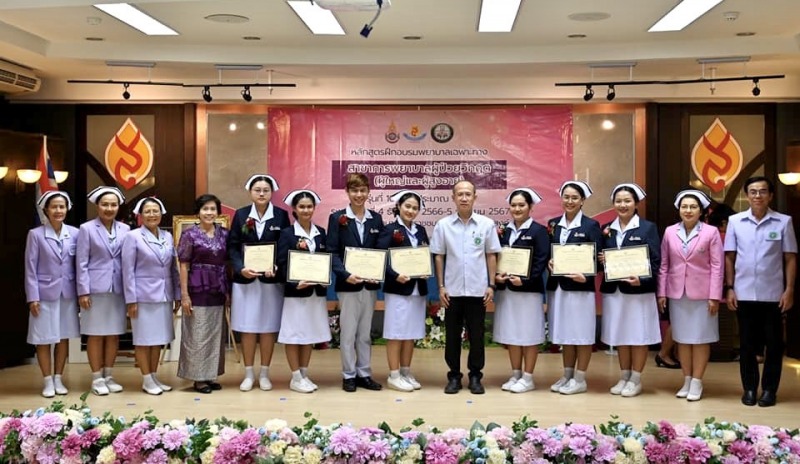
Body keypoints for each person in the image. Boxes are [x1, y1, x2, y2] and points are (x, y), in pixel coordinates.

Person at [724, 176, 797, 407]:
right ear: (747, 195)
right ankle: (748, 388)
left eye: (763, 191)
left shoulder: (783, 222)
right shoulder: (735, 221)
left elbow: (790, 258)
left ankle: (769, 390)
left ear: (771, 195)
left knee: (774, 344)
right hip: (743, 293)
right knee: (746, 344)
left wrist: (790, 290)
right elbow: (729, 257)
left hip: (773, 295)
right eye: (753, 191)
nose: (758, 196)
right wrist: (729, 288)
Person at [431, 180, 502, 394]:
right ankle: (453, 376)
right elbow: (439, 257)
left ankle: (475, 376)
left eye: (468, 194)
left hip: (478, 291)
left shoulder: (486, 224)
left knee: (477, 335)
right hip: (452, 292)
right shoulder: (443, 225)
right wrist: (441, 287)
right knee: (452, 336)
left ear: (474, 197)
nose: (464, 198)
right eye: (459, 194)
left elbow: (491, 255)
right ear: (453, 198)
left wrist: (491, 284)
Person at [657, 189, 723, 401]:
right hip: (677, 293)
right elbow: (664, 264)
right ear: (679, 209)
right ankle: (686, 379)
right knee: (682, 339)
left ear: (701, 210)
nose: (688, 210)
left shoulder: (710, 232)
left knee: (701, 339)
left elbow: (717, 266)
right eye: (684, 206)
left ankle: (697, 381)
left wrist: (715, 296)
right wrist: (662, 292)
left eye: (693, 207)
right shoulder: (669, 232)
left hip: (703, 294)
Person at [227, 174, 290, 392]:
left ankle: (264, 373)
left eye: (265, 190)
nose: (261, 193)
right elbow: (233, 246)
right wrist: (240, 268)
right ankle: (248, 373)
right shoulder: (241, 214)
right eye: (257, 190)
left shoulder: (281, 215)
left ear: (272, 192)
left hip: (271, 282)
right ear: (250, 192)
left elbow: (284, 246)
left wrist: (278, 267)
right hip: (246, 280)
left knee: (267, 328)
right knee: (247, 327)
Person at [599, 183, 661, 398]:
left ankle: (636, 379)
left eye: (627, 201)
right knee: (621, 334)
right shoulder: (607, 228)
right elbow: (599, 261)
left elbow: (655, 260)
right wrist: (600, 260)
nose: (622, 205)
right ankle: (624, 376)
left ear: (636, 204)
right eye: (618, 201)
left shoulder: (647, 228)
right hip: (615, 291)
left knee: (638, 335)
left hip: (638, 293)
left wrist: (642, 279)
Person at [327, 173, 385, 392]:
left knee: (364, 333)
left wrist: (376, 271)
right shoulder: (337, 218)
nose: (359, 195)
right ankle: (349, 374)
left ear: (368, 192)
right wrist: (344, 274)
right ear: (347, 193)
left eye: (362, 190)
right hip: (348, 284)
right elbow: (332, 251)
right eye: (354, 190)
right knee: (349, 332)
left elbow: (379, 251)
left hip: (369, 285)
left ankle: (364, 373)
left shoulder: (376, 219)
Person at [546, 180, 601, 395]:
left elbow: (597, 258)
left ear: (582, 201)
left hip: (580, 289)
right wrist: (550, 262)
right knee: (566, 333)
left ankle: (580, 379)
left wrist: (586, 274)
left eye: (574, 198)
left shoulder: (591, 226)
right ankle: (567, 374)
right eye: (566, 197)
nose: (569, 201)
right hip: (558, 287)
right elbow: (549, 253)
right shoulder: (553, 224)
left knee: (582, 333)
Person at [121, 197, 180, 395]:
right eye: (148, 211)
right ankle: (146, 379)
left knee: (158, 338)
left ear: (161, 213)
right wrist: (131, 299)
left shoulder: (167, 236)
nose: (152, 214)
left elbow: (173, 268)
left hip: (164, 295)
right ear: (140, 215)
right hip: (142, 296)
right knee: (144, 339)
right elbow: (127, 270)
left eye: (156, 211)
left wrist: (177, 294)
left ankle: (154, 376)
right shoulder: (133, 237)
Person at [493, 188, 550, 393]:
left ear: (530, 207)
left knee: (529, 333)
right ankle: (516, 373)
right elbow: (495, 258)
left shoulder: (539, 231)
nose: (517, 209)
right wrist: (496, 277)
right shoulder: (503, 230)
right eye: (514, 205)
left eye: (521, 205)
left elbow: (541, 261)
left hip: (529, 292)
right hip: (507, 291)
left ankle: (528, 377)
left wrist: (524, 280)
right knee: (512, 333)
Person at [24, 191, 80, 398]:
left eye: (62, 207)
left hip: (67, 293)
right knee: (44, 338)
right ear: (46, 210)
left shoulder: (75, 234)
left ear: (67, 209)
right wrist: (33, 297)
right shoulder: (36, 235)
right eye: (54, 207)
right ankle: (47, 380)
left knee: (63, 337)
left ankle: (58, 377)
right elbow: (30, 268)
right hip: (44, 294)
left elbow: (80, 265)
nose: (58, 211)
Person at [76, 186, 130, 396]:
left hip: (118, 288)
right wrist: (83, 291)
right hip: (95, 289)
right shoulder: (86, 229)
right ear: (97, 206)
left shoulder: (125, 230)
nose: (109, 208)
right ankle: (96, 377)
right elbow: (81, 263)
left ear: (119, 207)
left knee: (114, 334)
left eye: (113, 204)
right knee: (95, 335)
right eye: (105, 204)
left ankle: (109, 375)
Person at [375, 190, 430, 392]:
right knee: (396, 332)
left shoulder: (421, 230)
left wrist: (425, 269)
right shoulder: (390, 230)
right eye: (407, 206)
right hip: (398, 289)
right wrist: (394, 274)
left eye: (415, 208)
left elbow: (424, 254)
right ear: (399, 206)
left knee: (411, 333)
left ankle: (406, 371)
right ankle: (394, 374)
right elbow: (380, 258)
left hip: (417, 288)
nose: (411, 211)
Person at [277, 190, 330, 393]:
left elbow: (326, 260)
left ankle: (304, 374)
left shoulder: (321, 233)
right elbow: (281, 264)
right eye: (302, 207)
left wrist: (325, 279)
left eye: (309, 206)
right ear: (294, 210)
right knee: (294, 334)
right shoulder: (287, 234)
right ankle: (295, 377)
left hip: (316, 293)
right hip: (296, 294)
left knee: (309, 334)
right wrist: (294, 283)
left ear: (314, 208)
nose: (306, 210)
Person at [177, 194, 230, 394]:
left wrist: (228, 290)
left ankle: (210, 374)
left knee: (215, 334)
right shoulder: (189, 235)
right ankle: (198, 379)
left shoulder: (224, 234)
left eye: (213, 209)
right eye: (205, 209)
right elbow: (183, 264)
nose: (209, 213)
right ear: (198, 213)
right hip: (196, 288)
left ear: (218, 212)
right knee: (197, 333)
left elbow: (228, 262)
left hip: (218, 288)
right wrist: (184, 295)